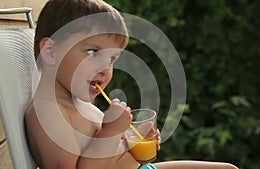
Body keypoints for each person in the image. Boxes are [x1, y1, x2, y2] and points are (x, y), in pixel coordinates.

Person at [25, 0, 239, 169]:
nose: (105, 68)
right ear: (51, 52)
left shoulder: (78, 103)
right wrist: (110, 131)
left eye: (111, 59)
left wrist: (132, 141)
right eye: (93, 52)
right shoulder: (49, 112)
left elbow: (109, 157)